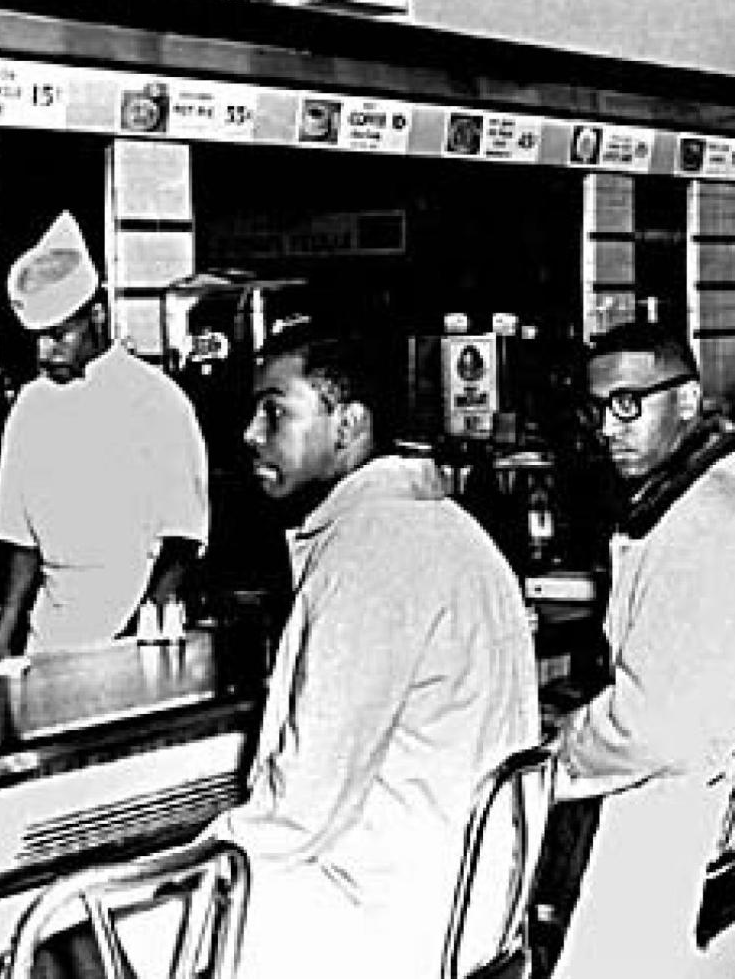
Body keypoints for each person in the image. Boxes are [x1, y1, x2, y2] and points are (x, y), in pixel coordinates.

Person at [202, 323, 540, 978]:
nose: (249, 433)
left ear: (348, 424)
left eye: (275, 411)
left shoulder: (370, 551)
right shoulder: (447, 526)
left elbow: (300, 813)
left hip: (386, 920)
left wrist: (176, 870)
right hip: (472, 908)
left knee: (71, 938)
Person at [551, 321, 735, 979]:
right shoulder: (728, 488)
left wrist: (562, 750)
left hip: (677, 813)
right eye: (597, 409)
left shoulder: (703, 519)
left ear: (686, 400)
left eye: (629, 404)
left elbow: (652, 729)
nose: (609, 428)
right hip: (729, 803)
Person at [0, 211, 208, 658]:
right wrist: (1, 639)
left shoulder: (155, 400)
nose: (45, 353)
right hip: (49, 638)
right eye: (36, 339)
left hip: (134, 629)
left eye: (58, 336)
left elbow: (183, 540)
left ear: (97, 315)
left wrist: (139, 633)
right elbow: (21, 543)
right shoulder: (30, 407)